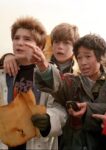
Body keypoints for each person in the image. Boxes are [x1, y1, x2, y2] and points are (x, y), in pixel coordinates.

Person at [27, 33, 106, 150]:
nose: (83, 62)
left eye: (88, 56)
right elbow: (56, 84)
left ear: (100, 57)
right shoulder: (71, 81)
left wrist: (87, 110)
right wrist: (43, 66)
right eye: (79, 58)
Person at [0, 17, 67, 150]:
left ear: (40, 46)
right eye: (16, 38)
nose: (19, 43)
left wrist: (49, 120)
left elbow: (61, 110)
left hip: (37, 144)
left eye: (27, 39)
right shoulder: (3, 73)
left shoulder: (50, 74)